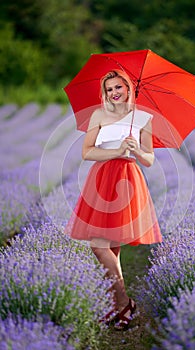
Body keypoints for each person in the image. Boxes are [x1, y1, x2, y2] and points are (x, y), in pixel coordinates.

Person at [65, 70, 162, 330]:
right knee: (100, 245)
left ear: (129, 89)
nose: (114, 92)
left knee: (110, 246)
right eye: (109, 89)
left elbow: (150, 160)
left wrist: (136, 150)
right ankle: (123, 303)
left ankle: (118, 305)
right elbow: (87, 152)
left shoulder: (142, 118)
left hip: (128, 180)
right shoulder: (98, 115)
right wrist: (116, 150)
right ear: (105, 92)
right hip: (101, 180)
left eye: (118, 87)